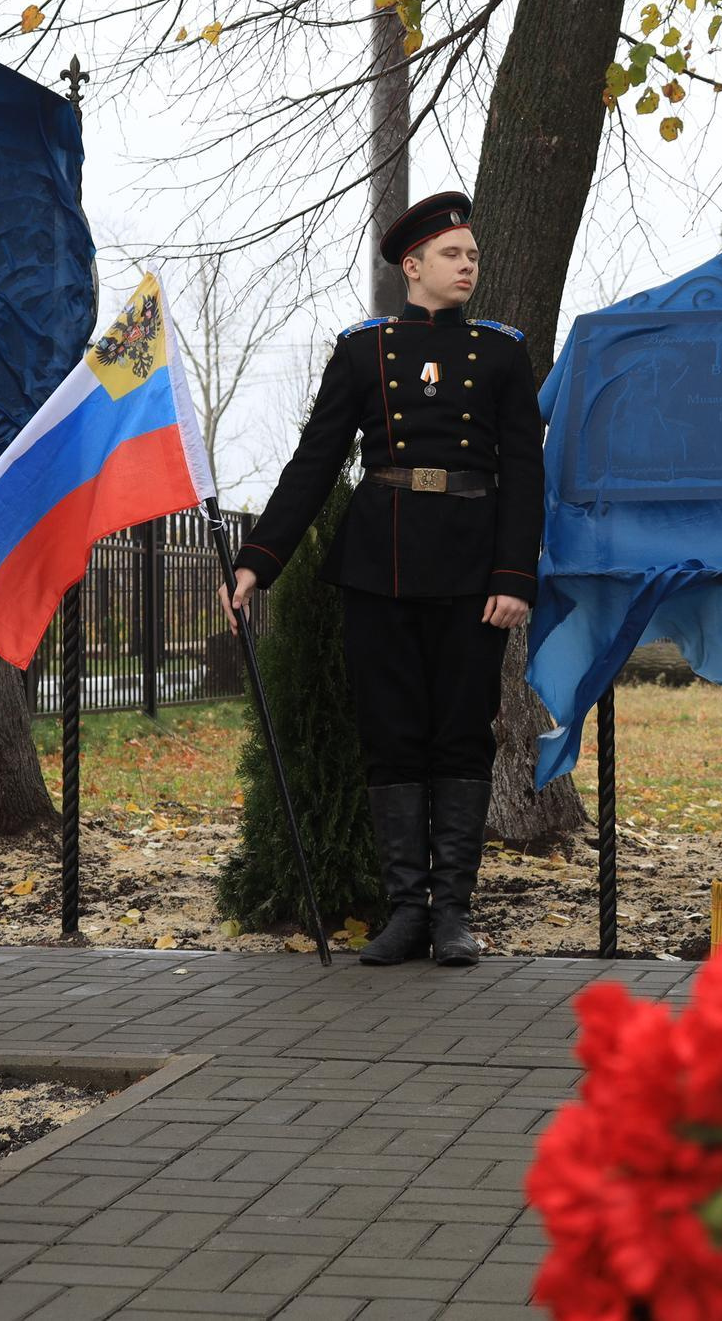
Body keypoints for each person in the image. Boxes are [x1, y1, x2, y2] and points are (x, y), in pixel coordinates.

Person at [224, 191, 543, 967]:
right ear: (413, 265)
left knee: (461, 734)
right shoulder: (363, 351)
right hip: (381, 564)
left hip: (472, 567)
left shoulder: (503, 353)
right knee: (391, 734)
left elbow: (525, 473)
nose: (467, 265)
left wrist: (514, 574)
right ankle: (406, 912)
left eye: (472, 255)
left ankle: (453, 914)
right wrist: (259, 559)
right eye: (452, 254)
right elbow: (315, 460)